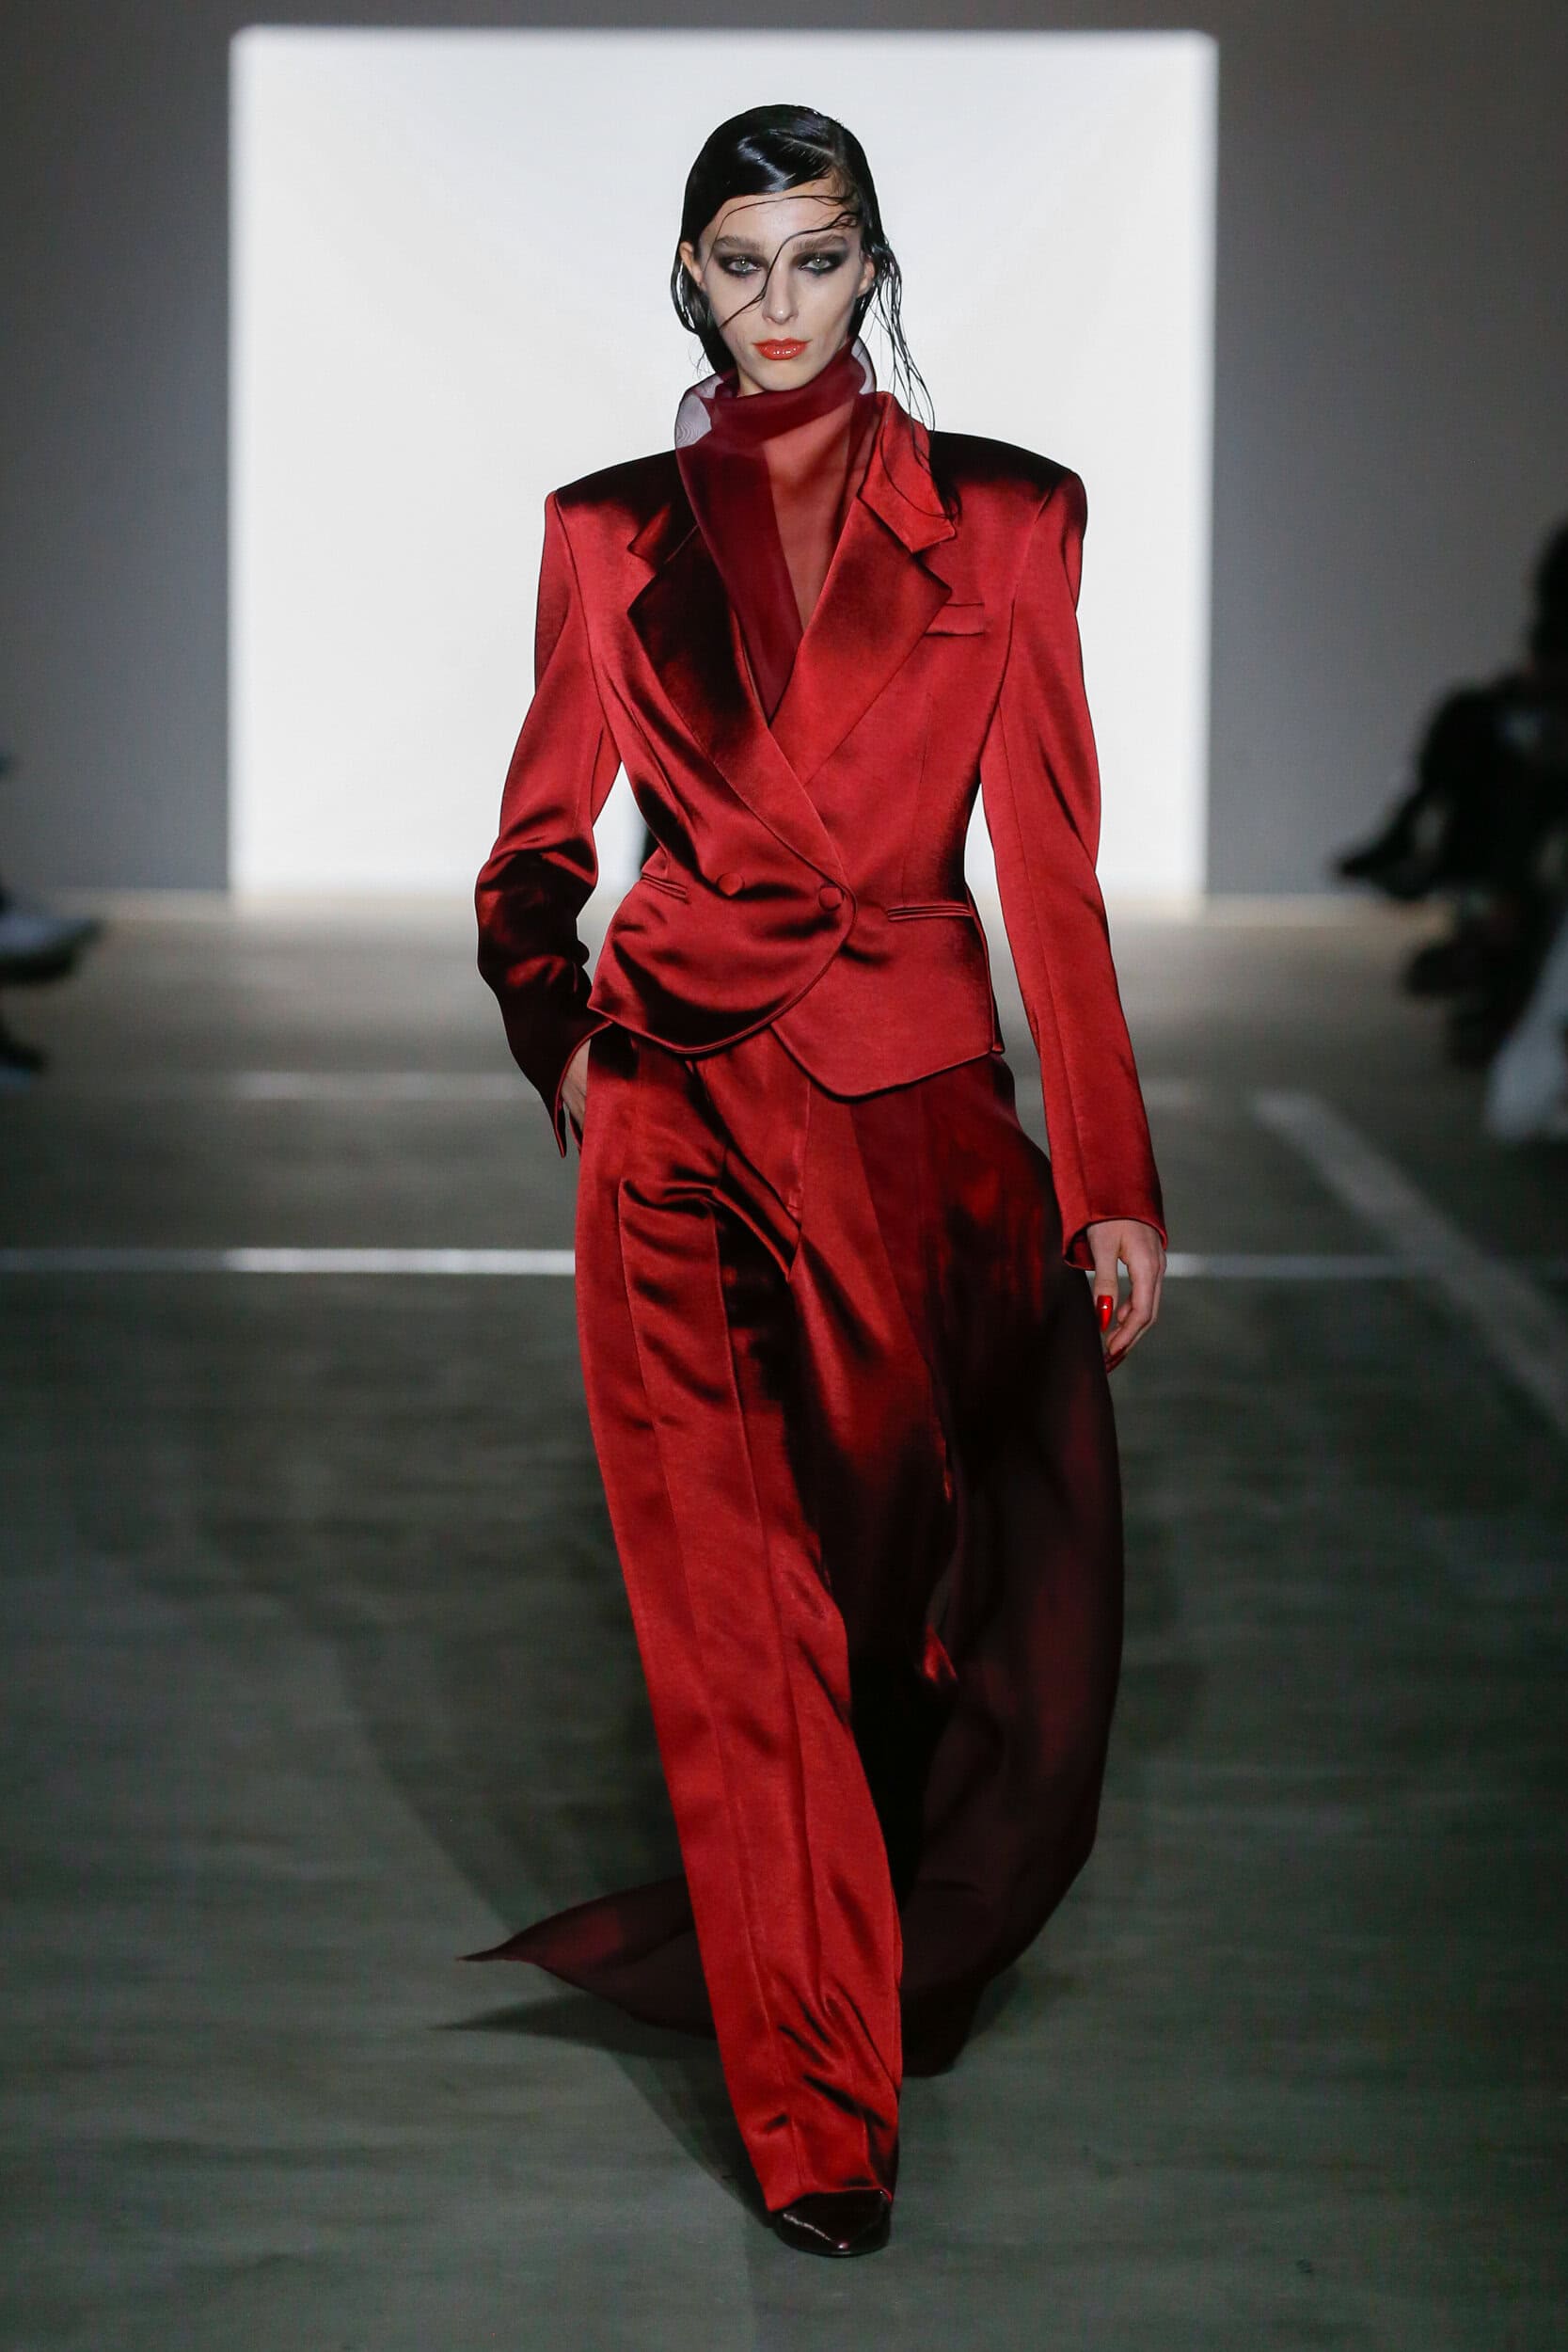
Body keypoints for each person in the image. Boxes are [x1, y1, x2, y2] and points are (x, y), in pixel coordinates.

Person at [468, 104, 1167, 2259]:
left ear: (875, 267)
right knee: (743, 1639)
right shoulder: (605, 533)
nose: (781, 302)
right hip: (679, 1127)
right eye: (742, 260)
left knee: (1000, 1648)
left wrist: (1108, 1170)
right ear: (690, 274)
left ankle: (892, 1955)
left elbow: (1050, 863)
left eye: (820, 256)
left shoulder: (1010, 520)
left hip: (922, 1131)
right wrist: (571, 1041)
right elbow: (532, 853)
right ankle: (816, 2118)